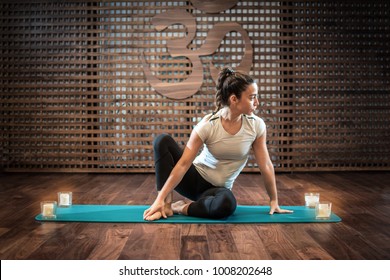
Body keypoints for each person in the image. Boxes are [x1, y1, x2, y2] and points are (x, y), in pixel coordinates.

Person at [143, 67, 293, 221]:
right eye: (252, 97)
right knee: (162, 141)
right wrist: (159, 198)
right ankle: (165, 205)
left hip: (217, 190)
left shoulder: (256, 125)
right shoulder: (208, 124)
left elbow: (266, 165)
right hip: (192, 178)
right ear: (234, 99)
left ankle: (180, 207)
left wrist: (274, 200)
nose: (257, 102)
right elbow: (183, 164)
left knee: (227, 204)